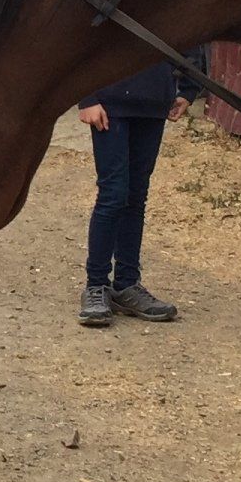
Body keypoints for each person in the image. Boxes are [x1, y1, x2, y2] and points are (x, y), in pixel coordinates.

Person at [76, 55, 201, 328]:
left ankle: (127, 285)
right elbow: (84, 35)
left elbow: (192, 33)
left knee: (135, 197)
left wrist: (189, 89)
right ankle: (96, 286)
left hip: (154, 104)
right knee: (113, 195)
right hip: (110, 105)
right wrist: (86, 97)